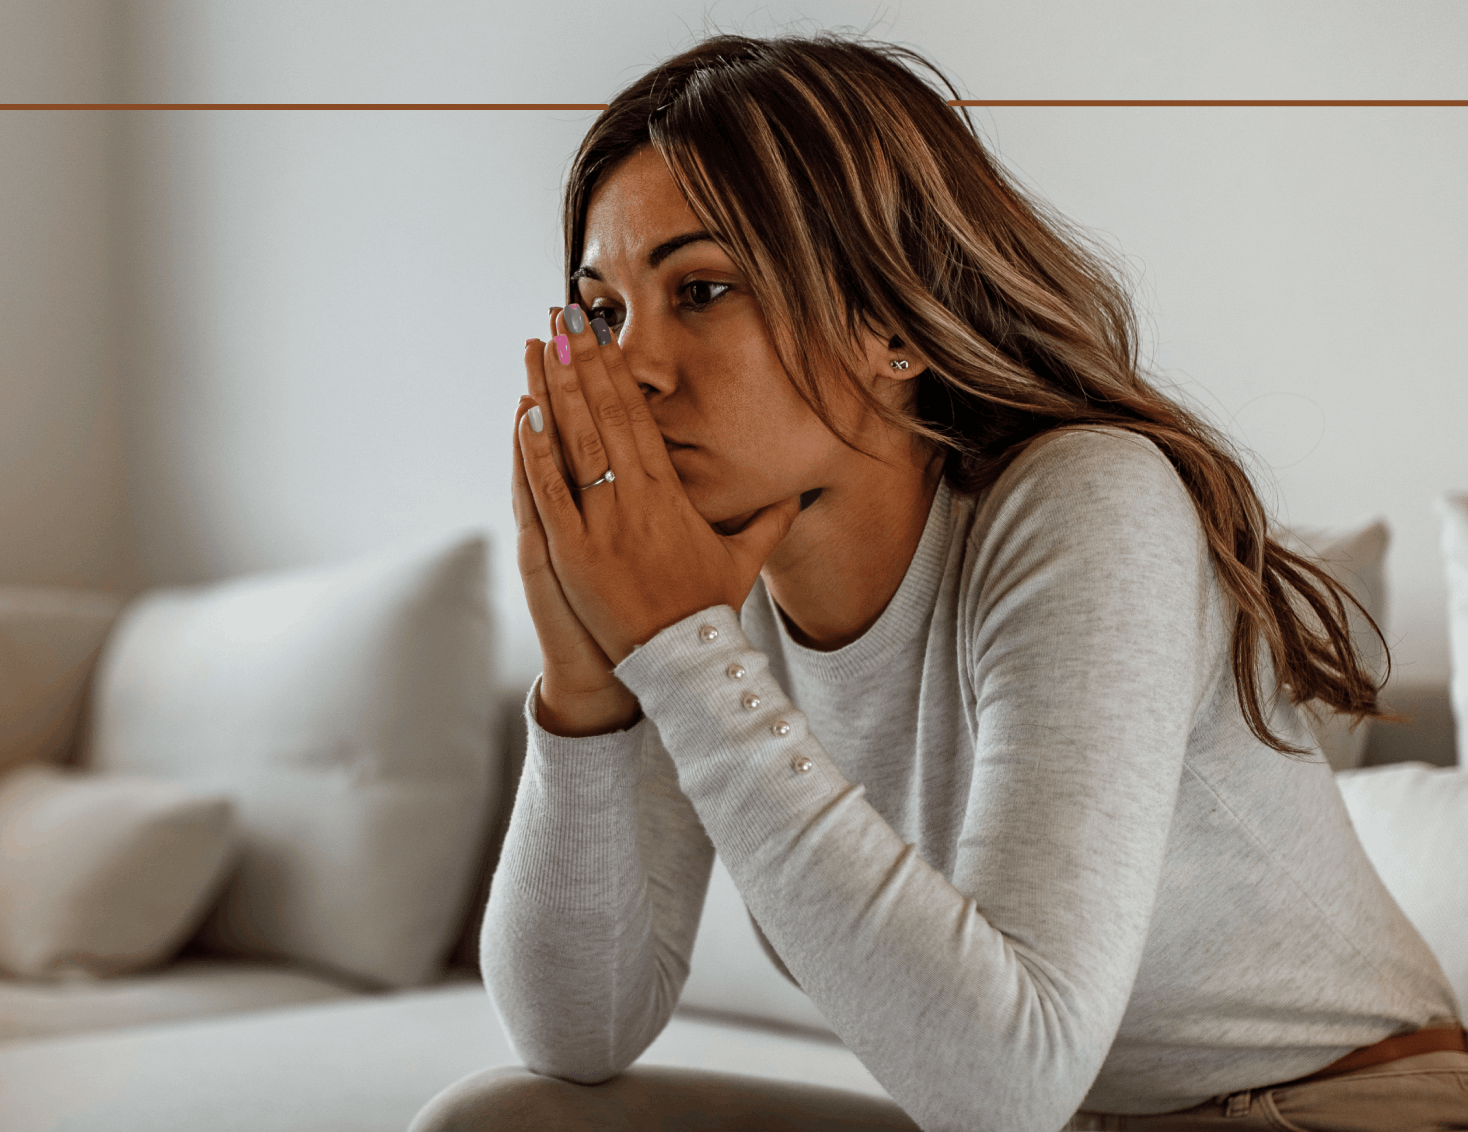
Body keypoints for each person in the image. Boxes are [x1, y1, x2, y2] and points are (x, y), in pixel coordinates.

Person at [406, 32, 1468, 1132]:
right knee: (499, 1119)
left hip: (1349, 1108)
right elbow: (574, 1032)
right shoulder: (713, 601)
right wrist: (588, 684)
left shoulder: (1085, 499)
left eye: (704, 289)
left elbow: (1007, 1080)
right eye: (606, 313)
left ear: (892, 327)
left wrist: (680, 649)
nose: (633, 367)